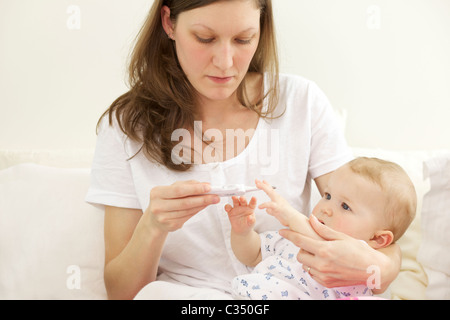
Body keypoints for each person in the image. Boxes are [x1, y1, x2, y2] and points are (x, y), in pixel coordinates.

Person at [85, 0, 402, 300]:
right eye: (205, 38)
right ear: (168, 22)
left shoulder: (301, 103)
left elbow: (373, 221)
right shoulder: (126, 127)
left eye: (243, 39)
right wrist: (153, 226)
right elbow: (122, 293)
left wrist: (380, 267)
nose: (225, 62)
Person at [226, 157, 417, 300]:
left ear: (377, 239)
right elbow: (253, 255)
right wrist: (242, 232)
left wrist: (290, 214)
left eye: (345, 206)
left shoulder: (361, 270)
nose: (326, 208)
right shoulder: (292, 238)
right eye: (327, 196)